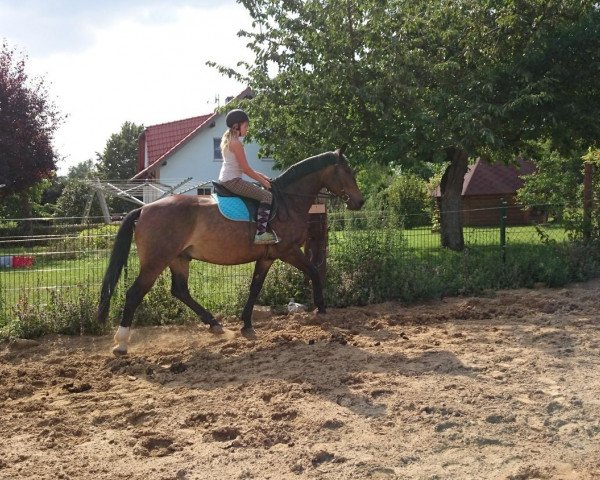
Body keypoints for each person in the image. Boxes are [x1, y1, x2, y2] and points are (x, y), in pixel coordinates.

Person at [218, 109, 278, 244]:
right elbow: (245, 169)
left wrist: (262, 176)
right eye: (246, 126)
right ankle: (261, 234)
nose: (247, 129)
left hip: (228, 179)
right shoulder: (236, 143)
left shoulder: (230, 140)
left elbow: (244, 167)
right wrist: (263, 182)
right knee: (267, 196)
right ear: (237, 126)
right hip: (233, 181)